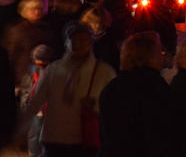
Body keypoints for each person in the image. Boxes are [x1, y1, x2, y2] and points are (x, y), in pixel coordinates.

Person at [16, 21, 114, 157]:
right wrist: (20, 127)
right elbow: (37, 100)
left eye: (82, 40)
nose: (77, 44)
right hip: (54, 138)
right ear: (67, 42)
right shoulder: (53, 69)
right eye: (74, 40)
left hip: (84, 141)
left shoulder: (104, 72)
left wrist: (95, 106)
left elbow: (113, 108)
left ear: (90, 44)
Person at [96, 31, 178, 157]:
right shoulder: (155, 88)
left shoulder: (112, 87)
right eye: (160, 52)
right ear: (151, 56)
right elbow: (161, 134)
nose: (163, 56)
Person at [4, 0, 52, 84]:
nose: (37, 12)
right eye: (33, 9)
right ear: (25, 11)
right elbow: (11, 54)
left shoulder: (46, 29)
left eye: (39, 9)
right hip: (23, 76)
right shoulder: (17, 30)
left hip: (42, 75)